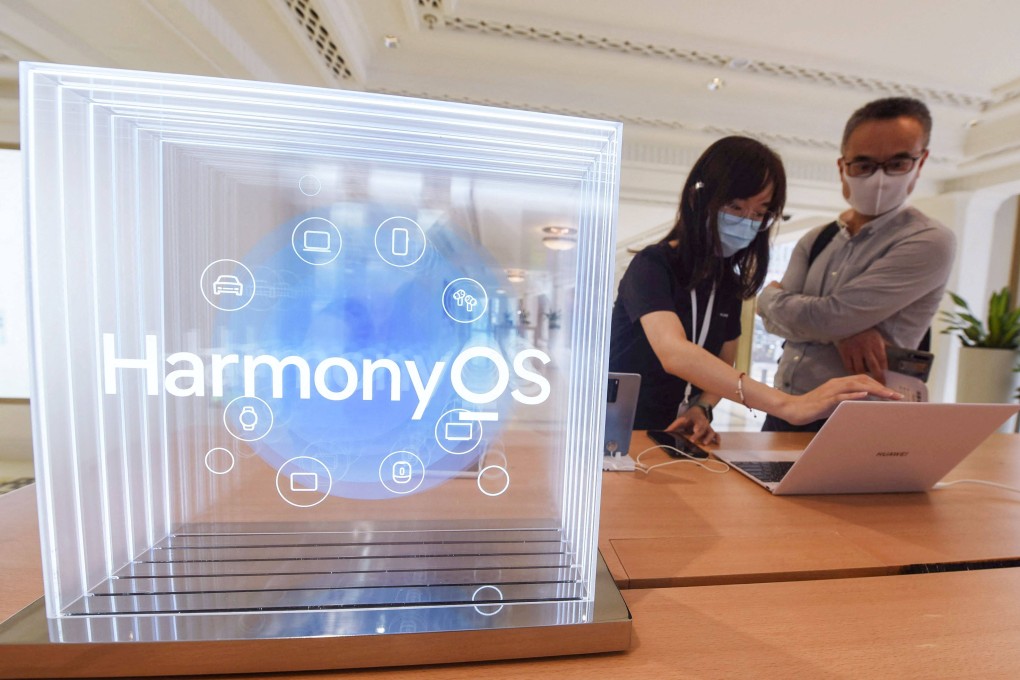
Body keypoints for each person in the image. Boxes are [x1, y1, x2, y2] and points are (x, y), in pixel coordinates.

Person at [608, 136, 899, 445]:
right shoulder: (652, 266)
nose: (746, 221)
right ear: (698, 200)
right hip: (621, 426)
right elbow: (674, 352)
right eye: (735, 207)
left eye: (759, 213)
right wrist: (787, 404)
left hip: (678, 435)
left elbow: (724, 359)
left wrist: (703, 407)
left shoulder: (728, 284)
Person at [757, 97, 955, 432]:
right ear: (842, 167)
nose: (879, 178)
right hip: (788, 408)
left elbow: (831, 317)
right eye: (863, 165)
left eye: (897, 163)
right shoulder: (817, 238)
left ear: (920, 163)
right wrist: (840, 330)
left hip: (862, 422)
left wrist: (769, 299)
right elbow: (781, 322)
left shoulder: (928, 241)